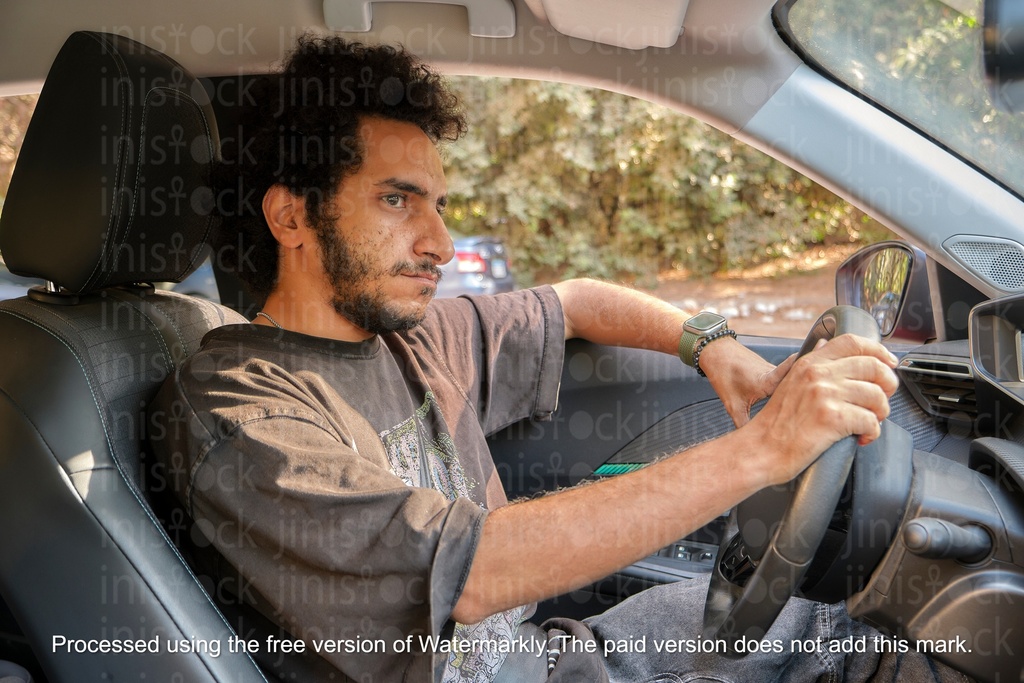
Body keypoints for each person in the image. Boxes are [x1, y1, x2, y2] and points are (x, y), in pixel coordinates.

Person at [149, 35, 967, 683]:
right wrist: (760, 450)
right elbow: (470, 571)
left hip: (543, 654)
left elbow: (575, 300)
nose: (437, 241)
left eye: (437, 205)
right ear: (292, 215)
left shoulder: (409, 334)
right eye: (396, 200)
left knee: (862, 608)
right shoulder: (236, 406)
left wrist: (717, 351)